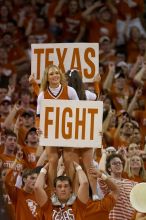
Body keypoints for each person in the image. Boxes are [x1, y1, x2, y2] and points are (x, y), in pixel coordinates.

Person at [36, 64, 79, 191]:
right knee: (53, 160)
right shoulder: (42, 95)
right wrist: (38, 127)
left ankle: (71, 191)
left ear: (60, 75)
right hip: (50, 130)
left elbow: (80, 110)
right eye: (51, 74)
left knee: (67, 159)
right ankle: (52, 192)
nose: (55, 75)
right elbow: (38, 116)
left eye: (56, 73)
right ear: (47, 78)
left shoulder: (70, 90)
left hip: (66, 129)